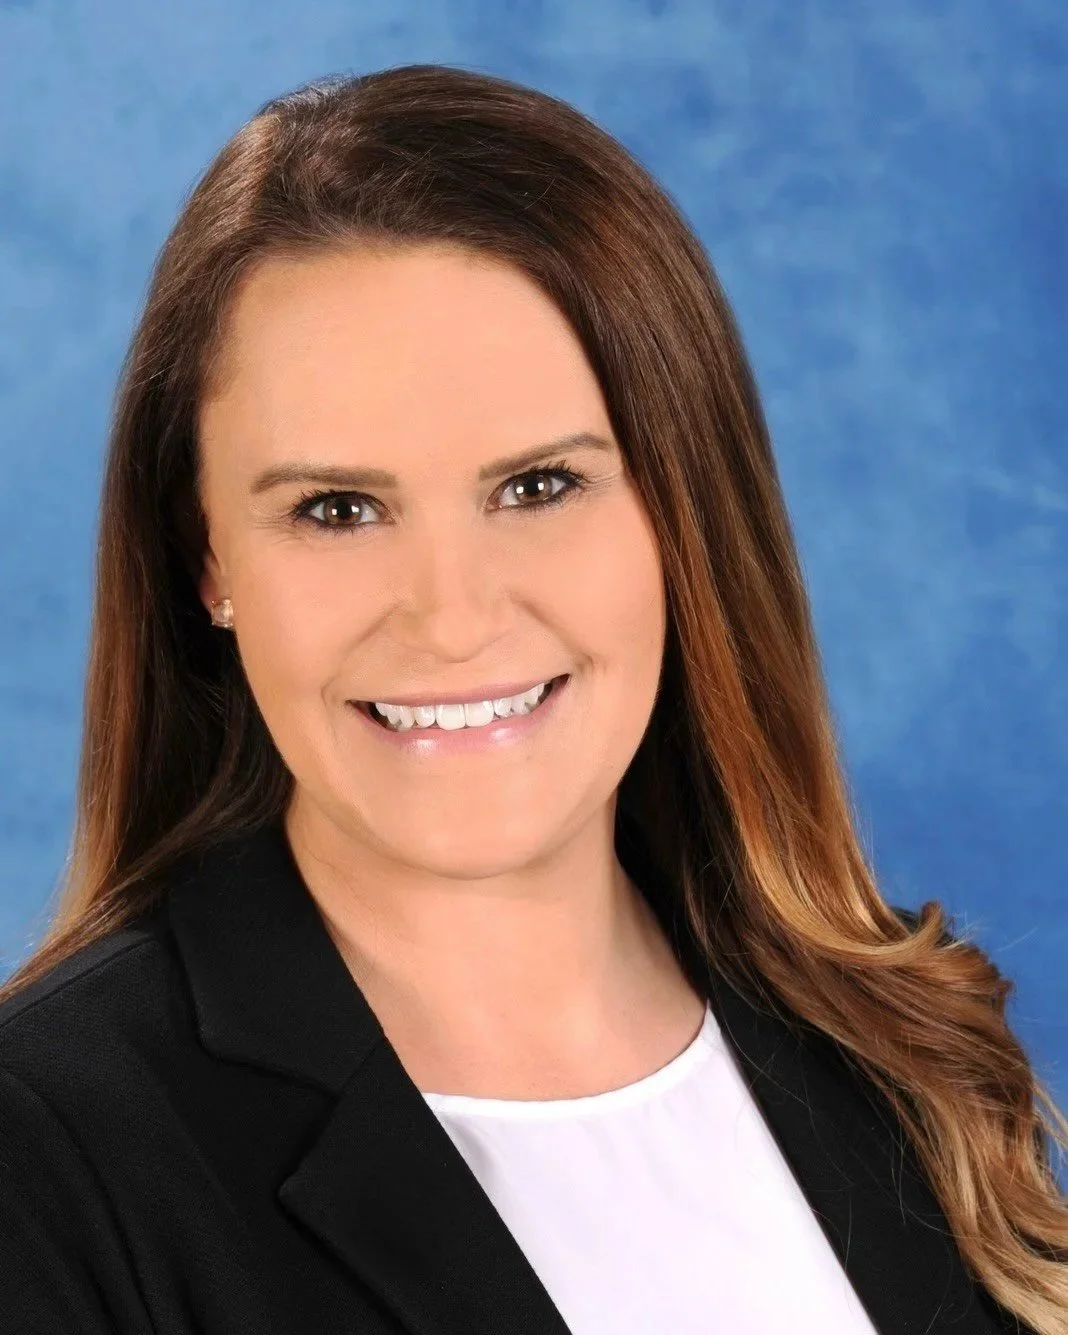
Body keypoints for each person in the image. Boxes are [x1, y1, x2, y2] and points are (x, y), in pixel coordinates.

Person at [0, 63, 1064, 1335]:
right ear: (208, 560)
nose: (453, 617)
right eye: (337, 510)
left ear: (683, 514)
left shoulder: (895, 1050)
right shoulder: (48, 1158)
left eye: (539, 488)